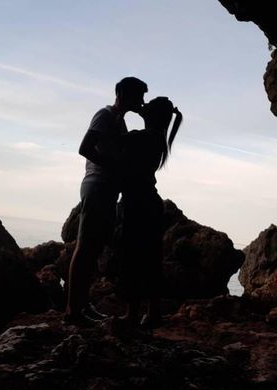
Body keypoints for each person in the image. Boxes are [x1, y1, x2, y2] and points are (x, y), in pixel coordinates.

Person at [64, 77, 148, 325]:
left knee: (93, 248)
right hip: (97, 186)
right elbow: (85, 148)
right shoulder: (105, 115)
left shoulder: (118, 121)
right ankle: (73, 311)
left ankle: (82, 305)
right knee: (85, 247)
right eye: (138, 96)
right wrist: (114, 167)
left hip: (107, 189)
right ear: (122, 93)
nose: (141, 102)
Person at [118, 97, 183, 328]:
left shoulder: (143, 137)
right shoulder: (156, 139)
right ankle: (153, 312)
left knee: (132, 257)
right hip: (148, 203)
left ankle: (132, 313)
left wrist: (121, 111)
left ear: (152, 115)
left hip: (138, 203)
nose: (142, 107)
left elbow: (111, 139)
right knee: (150, 259)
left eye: (147, 106)